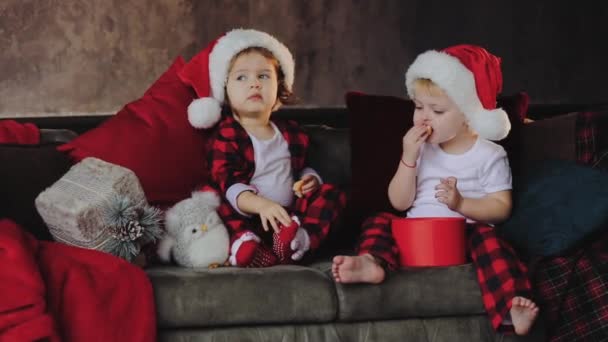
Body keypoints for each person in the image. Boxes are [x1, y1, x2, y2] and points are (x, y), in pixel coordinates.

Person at [331, 44, 539, 335]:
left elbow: (501, 207)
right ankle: (372, 262)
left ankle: (510, 306)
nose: (423, 117)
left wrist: (462, 203)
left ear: (468, 114)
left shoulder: (489, 155)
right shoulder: (422, 150)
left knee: (492, 242)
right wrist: (408, 158)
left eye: (437, 110)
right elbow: (399, 202)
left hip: (463, 232)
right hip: (418, 232)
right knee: (379, 220)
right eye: (418, 106)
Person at [179, 28, 346, 268]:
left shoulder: (292, 134)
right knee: (209, 195)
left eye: (264, 76)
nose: (255, 84)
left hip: (288, 219)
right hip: (247, 217)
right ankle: (243, 245)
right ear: (225, 92)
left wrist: (310, 179)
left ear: (279, 91)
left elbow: (300, 169)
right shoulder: (228, 135)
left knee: (332, 192)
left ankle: (299, 241)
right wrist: (262, 205)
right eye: (242, 77)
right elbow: (228, 183)